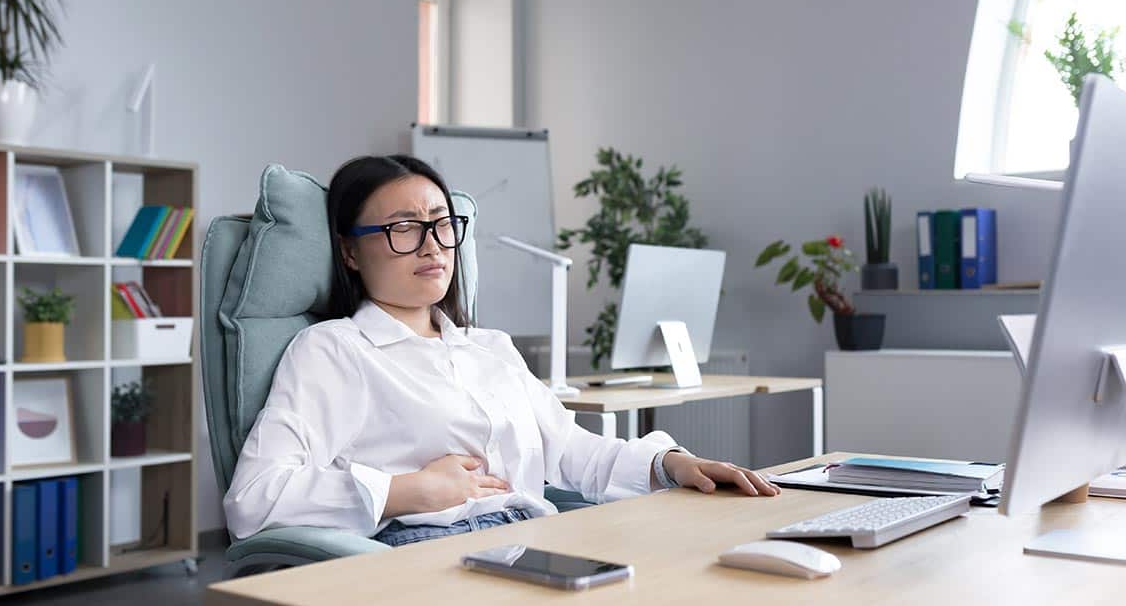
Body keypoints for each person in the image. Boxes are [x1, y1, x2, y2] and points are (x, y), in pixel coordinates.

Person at [223, 155, 779, 547]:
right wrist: (407, 491)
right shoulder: (334, 350)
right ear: (349, 251)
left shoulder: (490, 348)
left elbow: (569, 451)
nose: (432, 246)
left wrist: (673, 464)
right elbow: (253, 498)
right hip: (429, 547)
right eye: (402, 229)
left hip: (533, 536)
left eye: (442, 226)